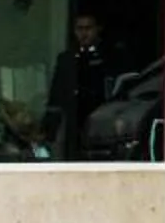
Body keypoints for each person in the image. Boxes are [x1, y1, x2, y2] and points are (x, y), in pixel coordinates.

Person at [44, 13, 115, 157]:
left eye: (88, 28)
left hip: (100, 116)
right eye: (79, 29)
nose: (84, 33)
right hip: (73, 119)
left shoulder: (110, 56)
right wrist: (49, 127)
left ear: (97, 29)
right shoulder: (66, 58)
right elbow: (56, 93)